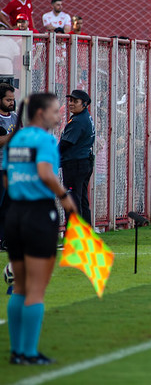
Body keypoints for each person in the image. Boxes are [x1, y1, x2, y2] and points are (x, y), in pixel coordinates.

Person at [3, 92, 78, 365]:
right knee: (36, 288)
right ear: (39, 114)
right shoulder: (45, 139)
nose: (59, 117)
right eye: (55, 112)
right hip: (37, 215)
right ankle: (29, 352)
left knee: (19, 286)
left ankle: (16, 352)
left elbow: (5, 178)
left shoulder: (17, 138)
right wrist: (64, 198)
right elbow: (46, 173)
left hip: (14, 214)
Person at [58, 90, 95, 223]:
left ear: (84, 104)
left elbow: (65, 143)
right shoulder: (85, 117)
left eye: (75, 101)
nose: (71, 103)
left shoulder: (78, 121)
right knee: (82, 199)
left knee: (72, 199)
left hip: (75, 164)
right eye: (71, 100)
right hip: (84, 162)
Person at [0, 83, 17, 251]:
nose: (11, 103)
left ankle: (4, 239)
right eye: (7, 99)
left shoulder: (14, 117)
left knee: (9, 206)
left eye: (12, 99)